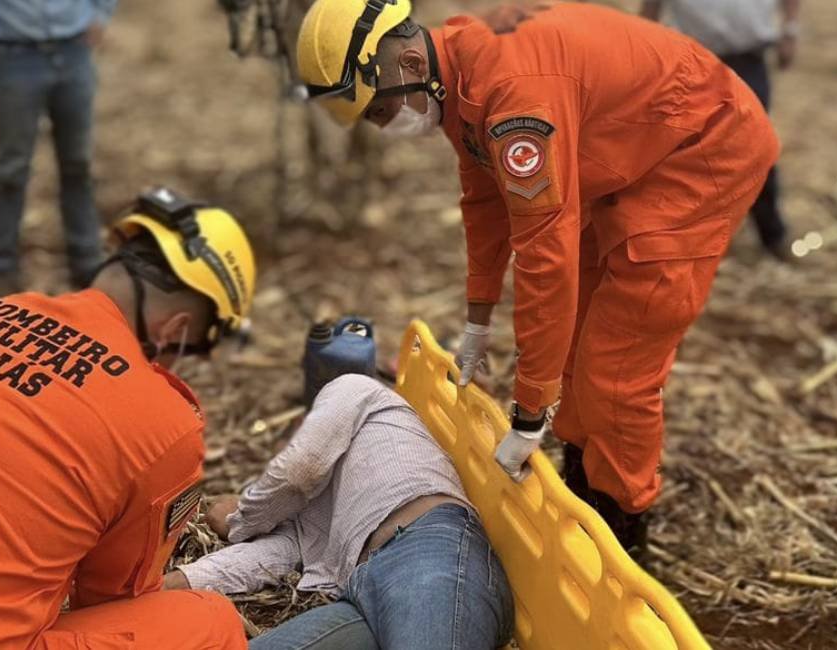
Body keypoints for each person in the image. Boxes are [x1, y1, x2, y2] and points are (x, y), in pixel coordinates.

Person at [294, 0, 779, 555]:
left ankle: (625, 526)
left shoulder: (514, 94)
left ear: (406, 63)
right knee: (576, 347)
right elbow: (484, 199)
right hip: (638, 146)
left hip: (702, 147)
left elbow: (546, 258)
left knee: (617, 368)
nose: (383, 128)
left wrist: (528, 413)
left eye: (379, 112)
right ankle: (583, 481)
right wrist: (479, 319)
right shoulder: (455, 71)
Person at [0, 188, 255, 649]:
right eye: (195, 348)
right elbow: (111, 597)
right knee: (208, 622)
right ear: (178, 331)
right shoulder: (163, 421)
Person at [167, 373, 515, 650]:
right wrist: (166, 585)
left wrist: (239, 518)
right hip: (364, 593)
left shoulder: (354, 388)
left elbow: (298, 469)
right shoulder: (311, 515)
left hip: (428, 550)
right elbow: (266, 558)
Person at [0, 0, 117, 296]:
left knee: (78, 163)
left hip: (74, 51)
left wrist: (101, 14)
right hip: (12, 57)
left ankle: (87, 260)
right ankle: (0, 266)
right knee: (12, 168)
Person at [640, 0, 801, 260]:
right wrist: (647, 46)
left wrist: (791, 30)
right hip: (691, 57)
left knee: (756, 148)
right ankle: (677, 238)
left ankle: (773, 235)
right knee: (683, 149)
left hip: (749, 59)